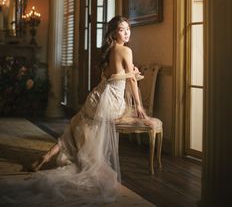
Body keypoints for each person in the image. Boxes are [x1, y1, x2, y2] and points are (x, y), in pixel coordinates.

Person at [0, 15, 148, 206]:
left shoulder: (109, 50)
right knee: (84, 128)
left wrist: (131, 72)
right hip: (110, 102)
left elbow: (114, 76)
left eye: (128, 28)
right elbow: (131, 81)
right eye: (122, 29)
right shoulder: (126, 50)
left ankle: (46, 156)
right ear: (114, 32)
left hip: (95, 97)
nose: (127, 32)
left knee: (75, 124)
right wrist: (140, 106)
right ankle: (82, 161)